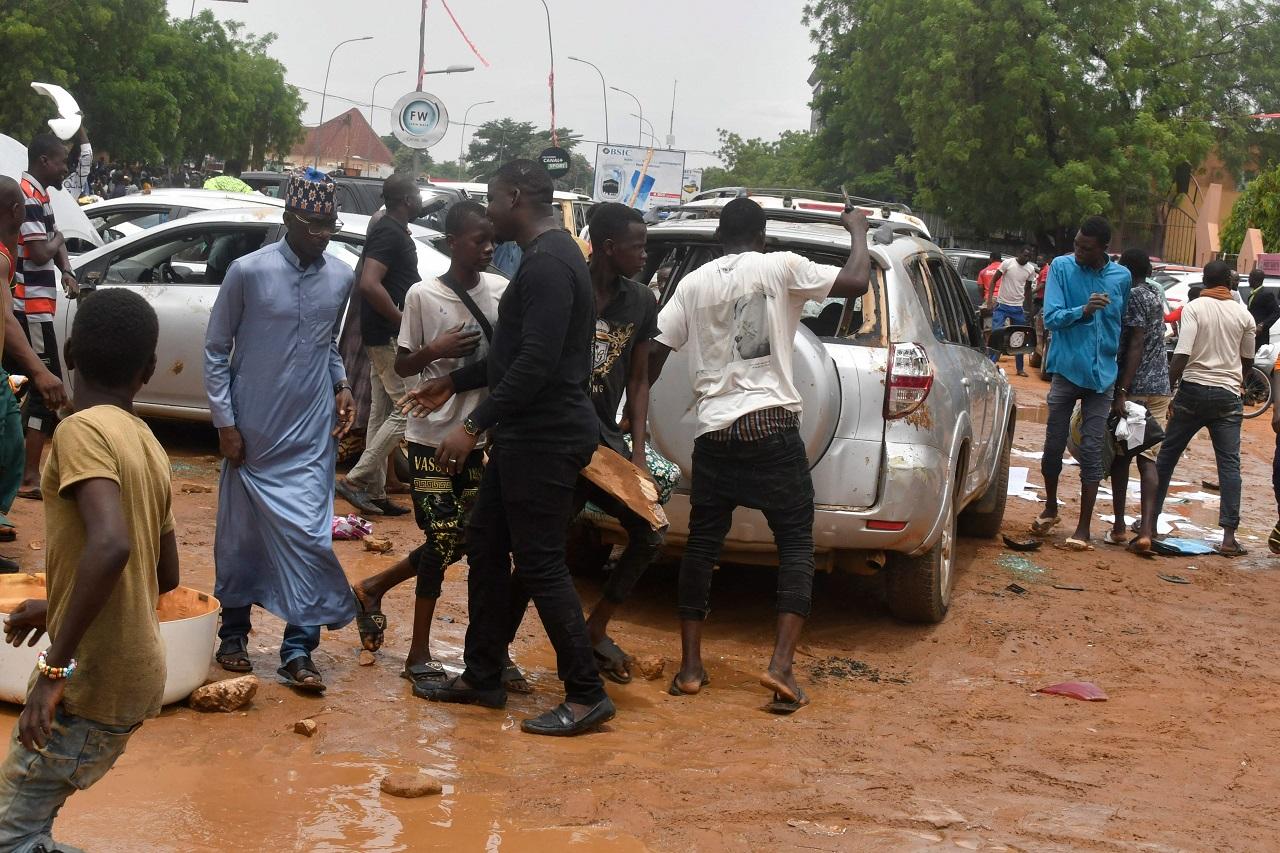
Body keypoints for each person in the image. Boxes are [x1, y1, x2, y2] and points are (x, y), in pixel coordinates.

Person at [403, 159, 612, 736]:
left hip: (543, 436)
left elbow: (536, 364)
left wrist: (472, 425)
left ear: (514, 196)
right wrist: (457, 381)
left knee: (541, 562)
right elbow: (518, 355)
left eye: (493, 199)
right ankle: (482, 674)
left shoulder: (547, 265)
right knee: (486, 543)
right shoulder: (553, 256)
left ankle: (585, 694)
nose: (489, 212)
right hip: (526, 433)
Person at [647, 197, 871, 713]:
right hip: (770, 425)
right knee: (795, 544)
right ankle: (781, 668)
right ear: (763, 236)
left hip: (714, 432)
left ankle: (689, 670)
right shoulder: (780, 267)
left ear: (719, 237)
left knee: (701, 547)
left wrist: (631, 421)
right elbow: (856, 282)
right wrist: (857, 231)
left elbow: (656, 353)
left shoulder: (692, 284)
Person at [0, 288, 178, 852]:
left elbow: (111, 547)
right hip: (133, 674)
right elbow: (164, 573)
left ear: (69, 353)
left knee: (10, 836)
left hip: (88, 681)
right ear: (148, 371)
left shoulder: (80, 431)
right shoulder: (148, 443)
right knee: (26, 827)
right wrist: (53, 607)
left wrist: (51, 675)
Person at [204, 168, 358, 692]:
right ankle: (233, 635)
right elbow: (215, 350)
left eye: (328, 224)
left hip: (311, 433)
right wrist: (226, 423)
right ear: (289, 218)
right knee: (241, 536)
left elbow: (327, 344)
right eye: (313, 223)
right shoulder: (247, 272)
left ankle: (298, 651)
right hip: (253, 433)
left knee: (312, 537)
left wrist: (342, 386)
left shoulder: (341, 276)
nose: (322, 233)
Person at [350, 201, 510, 691]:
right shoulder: (423, 295)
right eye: (477, 240)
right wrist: (435, 351)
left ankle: (374, 586)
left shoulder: (502, 291)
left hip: (478, 439)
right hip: (428, 439)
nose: (487, 249)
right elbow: (403, 367)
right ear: (452, 242)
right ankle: (419, 650)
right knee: (443, 538)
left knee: (475, 541)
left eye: (491, 241)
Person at [503, 202, 664, 684]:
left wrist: (635, 454)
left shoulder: (640, 301)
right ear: (610, 248)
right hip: (557, 442)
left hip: (604, 447)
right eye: (637, 247)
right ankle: (501, 650)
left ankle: (596, 627)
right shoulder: (567, 287)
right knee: (538, 556)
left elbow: (638, 381)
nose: (643, 255)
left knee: (649, 534)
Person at [1031, 216, 1130, 549]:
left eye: (1085, 248)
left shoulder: (1122, 276)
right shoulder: (1061, 268)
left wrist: (1122, 387)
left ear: (1104, 248)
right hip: (1066, 370)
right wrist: (1083, 311)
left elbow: (1122, 326)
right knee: (1053, 443)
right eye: (1076, 244)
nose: (1078, 252)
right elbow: (1052, 318)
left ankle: (1083, 528)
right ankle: (1050, 506)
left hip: (1103, 376)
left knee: (1092, 451)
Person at [1152, 260, 1255, 557]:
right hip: (1228, 396)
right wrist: (1240, 381)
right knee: (1229, 466)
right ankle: (1228, 538)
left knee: (1167, 457)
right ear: (1230, 283)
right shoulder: (1243, 314)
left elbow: (1182, 353)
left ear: (1206, 281)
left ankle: (1150, 522)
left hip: (1193, 391)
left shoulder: (1195, 308)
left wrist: (1168, 387)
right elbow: (1247, 359)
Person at [334, 174, 423, 517]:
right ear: (405, 200)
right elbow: (370, 283)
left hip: (382, 333)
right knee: (410, 408)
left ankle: (374, 490)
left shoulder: (392, 228)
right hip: (388, 334)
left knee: (383, 411)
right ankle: (356, 480)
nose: (419, 201)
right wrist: (402, 320)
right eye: (416, 194)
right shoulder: (388, 231)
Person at [14, 133, 80, 500]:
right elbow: (41, 252)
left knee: (25, 388)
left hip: (39, 307)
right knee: (45, 389)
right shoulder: (27, 196)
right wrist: (57, 240)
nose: (65, 168)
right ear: (43, 161)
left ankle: (21, 470)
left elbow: (57, 245)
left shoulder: (41, 196)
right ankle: (27, 478)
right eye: (61, 161)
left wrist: (67, 270)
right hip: (30, 308)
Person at [1106, 249, 1171, 556]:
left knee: (1122, 457)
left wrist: (1121, 390)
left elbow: (1136, 343)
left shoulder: (1132, 297)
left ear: (1127, 271)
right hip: (1160, 386)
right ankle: (1146, 530)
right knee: (1149, 460)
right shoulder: (1156, 296)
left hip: (1136, 391)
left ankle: (1119, 527)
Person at [987, 246, 1036, 376]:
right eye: (1025, 255)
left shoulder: (1030, 270)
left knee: (1019, 337)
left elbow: (1028, 289)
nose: (1027, 258)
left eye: (1029, 257)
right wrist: (989, 300)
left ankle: (1020, 368)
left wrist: (1030, 309)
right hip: (1002, 305)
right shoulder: (1007, 263)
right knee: (996, 334)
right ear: (1019, 253)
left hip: (1017, 307)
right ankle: (991, 363)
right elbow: (993, 281)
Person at [62, 127, 92, 199]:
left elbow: (87, 157)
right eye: (60, 162)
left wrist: (78, 125)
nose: (65, 169)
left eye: (65, 162)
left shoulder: (75, 182)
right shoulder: (40, 182)